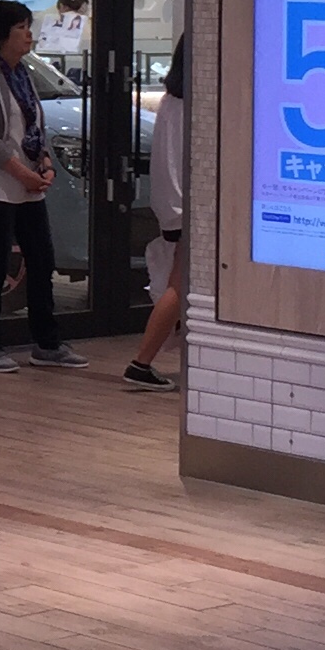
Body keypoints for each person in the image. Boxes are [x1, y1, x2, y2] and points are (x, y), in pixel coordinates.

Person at [0, 0, 83, 371]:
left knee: (42, 261)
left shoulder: (24, 75)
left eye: (29, 27)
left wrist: (44, 163)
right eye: (21, 28)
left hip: (28, 181)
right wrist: (22, 172)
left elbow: (34, 126)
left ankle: (47, 343)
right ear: (2, 36)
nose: (29, 34)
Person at [128, 32, 188, 392]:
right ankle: (141, 362)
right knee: (179, 288)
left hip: (171, 204)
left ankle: (145, 361)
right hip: (189, 206)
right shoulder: (198, 103)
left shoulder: (169, 102)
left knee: (179, 285)